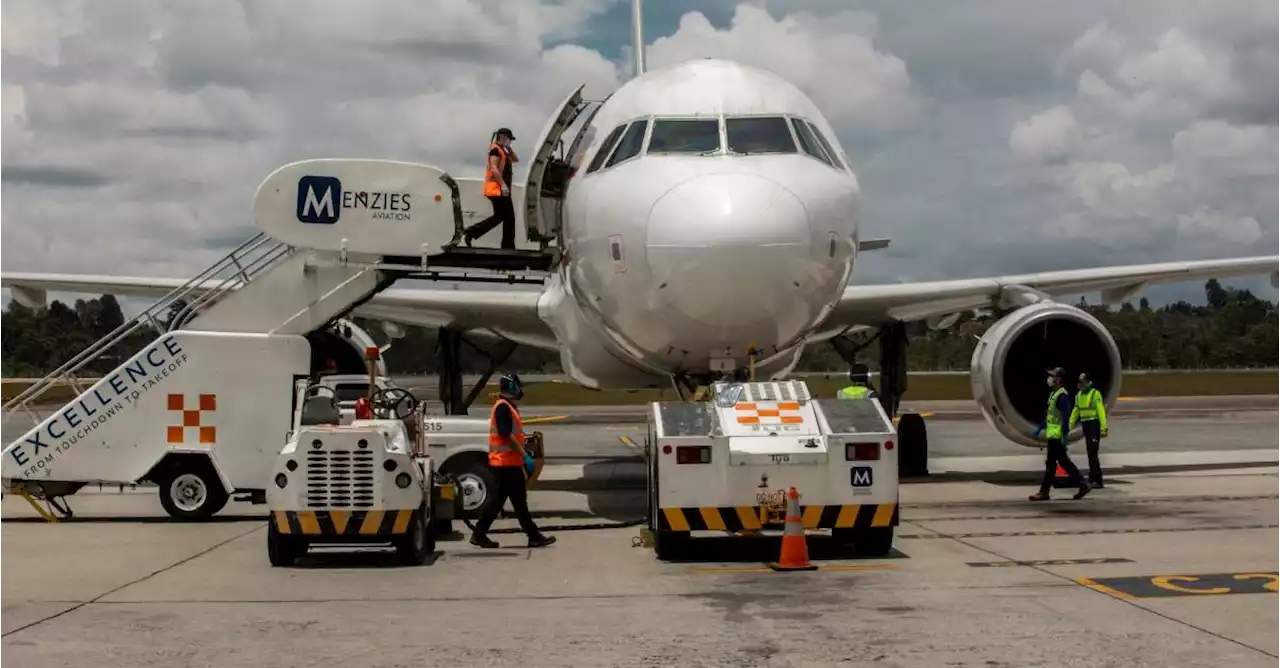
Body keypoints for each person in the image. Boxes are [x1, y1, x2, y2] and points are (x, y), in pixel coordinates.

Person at [469, 372, 556, 549]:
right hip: (505, 463)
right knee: (516, 501)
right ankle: (533, 536)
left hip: (508, 462)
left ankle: (480, 533)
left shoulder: (507, 406)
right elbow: (506, 434)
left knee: (503, 501)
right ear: (512, 387)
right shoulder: (503, 407)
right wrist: (524, 455)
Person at [1029, 367, 1091, 501]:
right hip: (1052, 435)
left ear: (1059, 379)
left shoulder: (1062, 395)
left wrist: (1064, 435)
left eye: (1053, 376)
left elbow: (1065, 416)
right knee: (1058, 463)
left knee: (1056, 463)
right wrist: (1040, 428)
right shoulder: (1053, 394)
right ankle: (1081, 485)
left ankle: (1045, 491)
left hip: (1057, 436)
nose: (1050, 379)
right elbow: (1049, 415)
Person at [459, 128, 519, 249]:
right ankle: (508, 246)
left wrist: (509, 148)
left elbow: (515, 160)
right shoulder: (495, 150)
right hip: (496, 190)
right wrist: (503, 185)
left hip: (500, 190)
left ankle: (471, 232)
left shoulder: (503, 150)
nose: (510, 142)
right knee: (509, 217)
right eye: (509, 139)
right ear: (502, 137)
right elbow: (494, 169)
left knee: (501, 217)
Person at [1069, 372, 1108, 488]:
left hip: (1094, 425)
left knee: (1093, 453)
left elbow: (1101, 411)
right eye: (1079, 383)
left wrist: (1103, 427)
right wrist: (1069, 425)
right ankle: (1092, 478)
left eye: (1083, 383)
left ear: (1088, 383)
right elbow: (1076, 411)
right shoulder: (1079, 395)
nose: (1080, 385)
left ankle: (1097, 479)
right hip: (1085, 425)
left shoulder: (1095, 394)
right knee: (1090, 452)